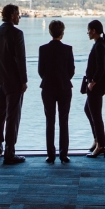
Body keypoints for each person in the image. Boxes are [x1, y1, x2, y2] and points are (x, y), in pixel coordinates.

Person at [0, 4, 27, 165]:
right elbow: (20, 59)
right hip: (14, 81)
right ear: (12, 16)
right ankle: (10, 153)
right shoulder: (17, 34)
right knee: (12, 117)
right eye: (18, 14)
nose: (19, 17)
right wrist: (24, 80)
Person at [38, 20, 75, 164]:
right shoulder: (68, 49)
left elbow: (41, 70)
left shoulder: (43, 49)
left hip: (47, 88)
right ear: (62, 33)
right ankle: (64, 154)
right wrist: (63, 78)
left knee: (50, 121)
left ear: (50, 31)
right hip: (64, 87)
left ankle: (50, 155)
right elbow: (71, 71)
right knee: (64, 121)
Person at [83, 19, 105, 158]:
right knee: (89, 110)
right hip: (96, 86)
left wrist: (92, 82)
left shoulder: (99, 46)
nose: (87, 32)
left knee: (96, 115)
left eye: (88, 30)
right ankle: (97, 140)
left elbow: (100, 67)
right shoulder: (99, 44)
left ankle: (100, 145)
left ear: (93, 31)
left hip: (95, 86)